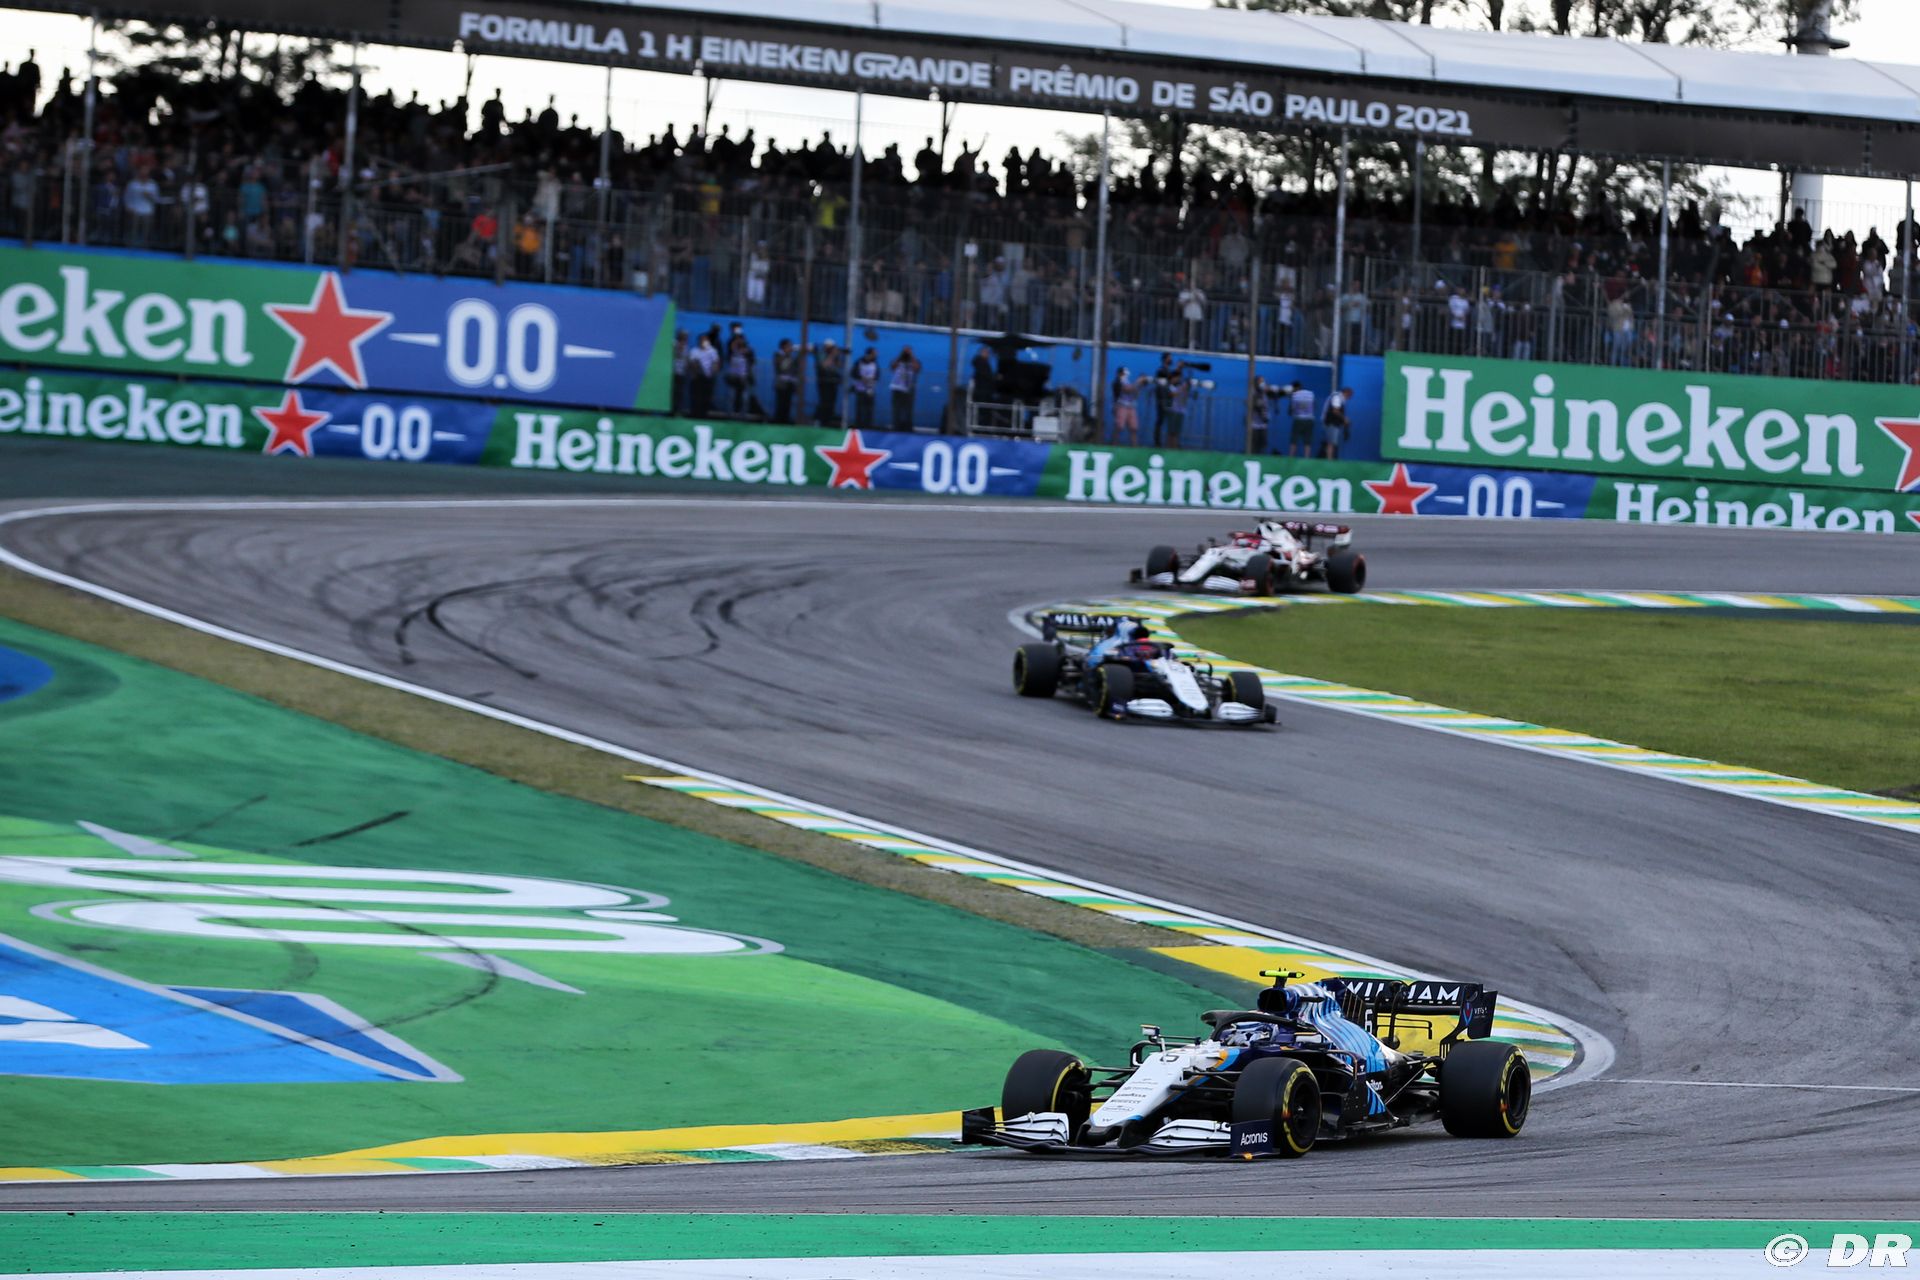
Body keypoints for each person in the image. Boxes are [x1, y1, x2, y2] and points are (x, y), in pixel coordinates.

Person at [1110, 366, 1148, 446]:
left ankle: (1134, 447)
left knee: (1134, 427)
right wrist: (1138, 381)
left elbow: (1134, 394)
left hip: (1131, 406)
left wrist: (1140, 385)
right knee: (1119, 426)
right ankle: (1113, 444)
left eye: (1125, 373)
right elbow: (1127, 390)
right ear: (1119, 373)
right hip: (1121, 406)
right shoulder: (1117, 382)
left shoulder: (1127, 381)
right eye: (1124, 373)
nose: (1125, 375)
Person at [889, 346, 921, 431]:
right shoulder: (898, 361)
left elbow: (917, 368)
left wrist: (911, 356)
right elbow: (892, 366)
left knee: (908, 410)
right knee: (897, 409)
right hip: (897, 388)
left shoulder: (914, 361)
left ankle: (908, 427)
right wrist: (901, 355)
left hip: (909, 389)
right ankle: (896, 427)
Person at [724, 328, 756, 415]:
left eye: (741, 339)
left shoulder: (749, 351)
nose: (739, 341)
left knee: (744, 396)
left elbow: (752, 362)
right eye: (737, 339)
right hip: (733, 376)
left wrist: (748, 374)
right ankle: (730, 413)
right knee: (732, 395)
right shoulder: (733, 351)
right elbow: (731, 347)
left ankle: (743, 414)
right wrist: (736, 339)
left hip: (744, 377)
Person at [687, 333, 719, 417]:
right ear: (699, 341)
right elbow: (692, 363)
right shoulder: (694, 351)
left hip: (708, 378)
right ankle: (694, 413)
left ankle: (704, 414)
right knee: (696, 396)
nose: (704, 341)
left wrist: (712, 373)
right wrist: (696, 372)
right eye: (702, 340)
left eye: (705, 340)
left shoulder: (712, 351)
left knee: (706, 397)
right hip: (697, 377)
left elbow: (715, 363)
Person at [815, 339, 845, 425]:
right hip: (824, 382)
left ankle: (828, 420)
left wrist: (839, 356)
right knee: (824, 401)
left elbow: (839, 366)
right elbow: (824, 365)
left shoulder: (835, 356)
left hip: (833, 382)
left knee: (831, 402)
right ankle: (820, 420)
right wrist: (832, 355)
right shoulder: (821, 354)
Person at [850, 346, 880, 429]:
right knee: (860, 408)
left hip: (870, 389)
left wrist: (872, 380)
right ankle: (858, 425)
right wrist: (862, 378)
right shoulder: (859, 362)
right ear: (869, 354)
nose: (876, 356)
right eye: (874, 354)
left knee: (869, 409)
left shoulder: (875, 363)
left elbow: (877, 375)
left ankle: (868, 425)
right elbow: (853, 373)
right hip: (860, 389)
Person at [772, 338, 801, 424]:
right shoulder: (778, 355)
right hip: (781, 384)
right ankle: (778, 421)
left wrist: (799, 354)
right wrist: (789, 356)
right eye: (789, 346)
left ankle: (785, 420)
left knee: (787, 404)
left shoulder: (791, 357)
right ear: (783, 346)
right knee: (781, 403)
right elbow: (783, 367)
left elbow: (795, 368)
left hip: (790, 384)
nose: (791, 348)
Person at [1321, 385, 1352, 460]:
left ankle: (1329, 458)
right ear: (1346, 393)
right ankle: (1329, 459)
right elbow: (1335, 411)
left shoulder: (1339, 398)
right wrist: (1344, 419)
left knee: (1331, 442)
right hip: (1331, 422)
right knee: (1331, 442)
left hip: (1332, 422)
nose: (1349, 398)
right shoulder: (1337, 397)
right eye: (1349, 396)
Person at [1287, 381, 1316, 457]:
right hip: (1309, 420)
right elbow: (1314, 406)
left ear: (1295, 387)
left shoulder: (1295, 395)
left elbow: (1291, 409)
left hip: (1298, 419)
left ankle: (1291, 457)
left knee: (1294, 440)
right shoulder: (1311, 394)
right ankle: (1307, 458)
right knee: (1307, 441)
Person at [669, 330, 689, 416]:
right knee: (672, 392)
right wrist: (679, 346)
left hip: (682, 373)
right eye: (684, 336)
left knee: (679, 393)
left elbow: (686, 359)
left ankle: (677, 411)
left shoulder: (686, 347)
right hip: (672, 372)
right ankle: (670, 410)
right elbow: (675, 354)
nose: (685, 338)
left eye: (686, 336)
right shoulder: (673, 343)